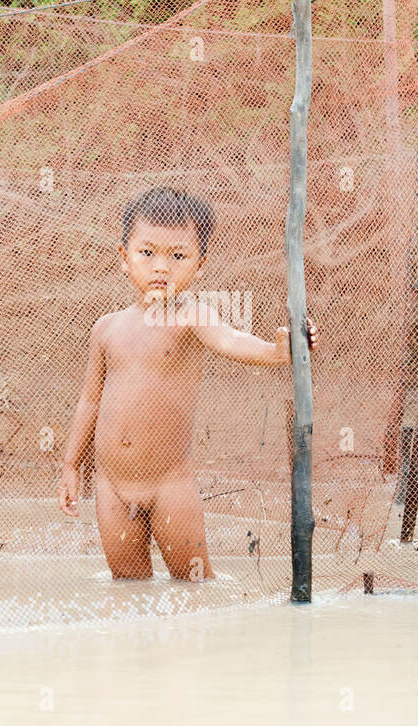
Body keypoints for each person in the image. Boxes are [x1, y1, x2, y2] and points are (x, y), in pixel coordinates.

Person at [57, 187, 318, 580]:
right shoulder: (107, 328)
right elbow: (89, 403)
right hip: (112, 487)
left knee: (195, 583)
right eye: (147, 253)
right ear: (124, 258)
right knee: (128, 586)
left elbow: (230, 340)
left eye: (178, 256)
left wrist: (278, 351)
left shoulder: (192, 315)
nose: (161, 267)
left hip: (169, 486)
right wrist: (71, 465)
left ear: (200, 266)